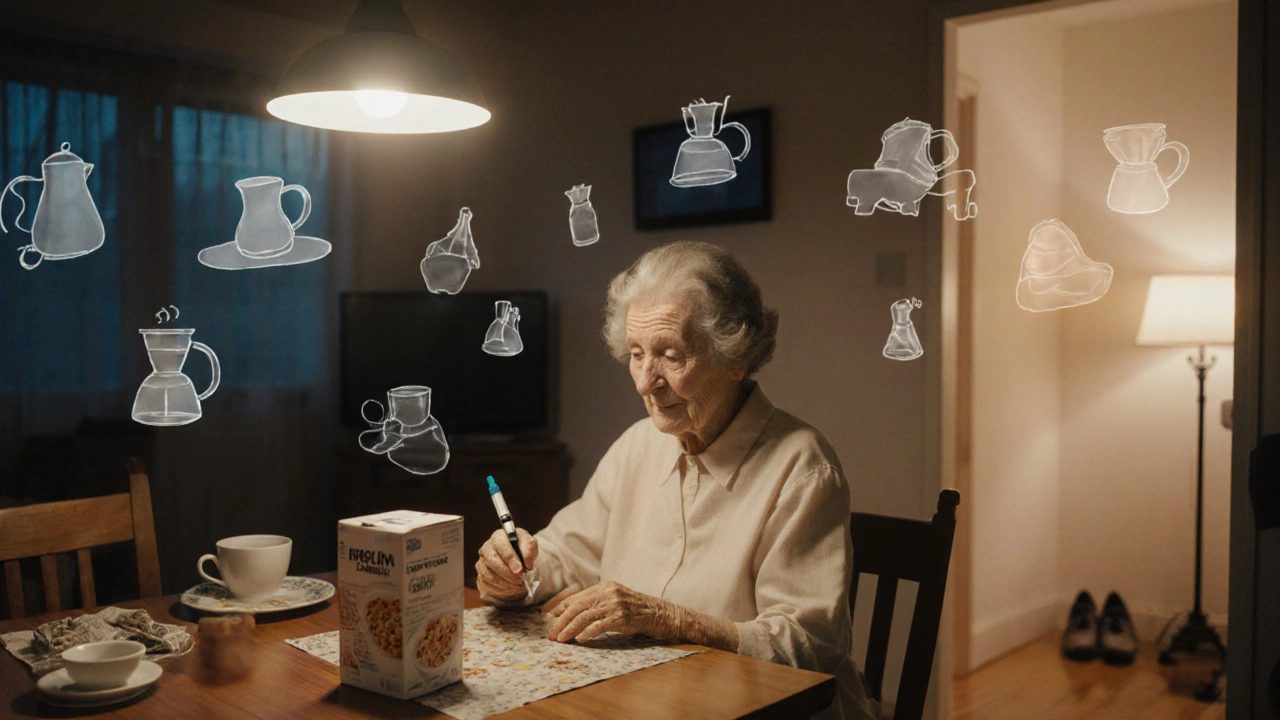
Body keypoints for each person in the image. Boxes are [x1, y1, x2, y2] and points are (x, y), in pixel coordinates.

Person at [476, 241, 877, 720]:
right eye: (636, 354)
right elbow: (563, 553)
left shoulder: (802, 467)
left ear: (736, 357)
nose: (645, 381)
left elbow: (810, 646)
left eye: (670, 355)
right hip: (651, 701)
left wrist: (672, 620)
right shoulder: (637, 445)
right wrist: (515, 571)